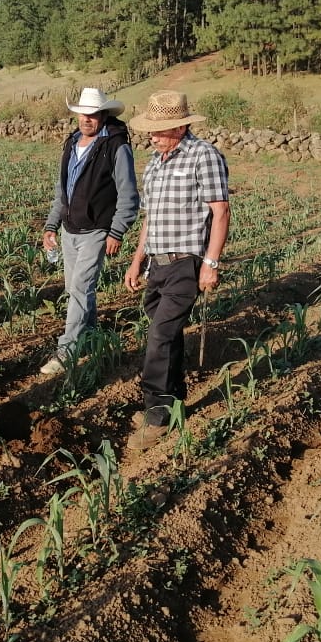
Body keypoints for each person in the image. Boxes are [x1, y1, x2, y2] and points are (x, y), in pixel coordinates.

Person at [123, 90, 229, 451]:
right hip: (158, 264)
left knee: (160, 336)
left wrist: (210, 264)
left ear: (181, 126)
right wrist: (138, 258)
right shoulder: (155, 162)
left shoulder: (204, 156)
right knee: (168, 335)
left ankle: (156, 415)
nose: (151, 136)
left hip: (187, 263)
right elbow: (150, 218)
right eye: (150, 129)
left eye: (159, 129)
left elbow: (220, 211)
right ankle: (174, 398)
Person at [39, 88, 140, 374]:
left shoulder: (116, 146)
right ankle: (93, 334)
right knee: (76, 290)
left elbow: (129, 195)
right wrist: (51, 225)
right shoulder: (71, 143)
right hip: (70, 229)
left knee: (81, 290)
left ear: (104, 115)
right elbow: (63, 190)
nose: (87, 119)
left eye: (93, 114)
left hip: (97, 230)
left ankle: (66, 352)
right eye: (83, 113)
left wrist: (117, 231)